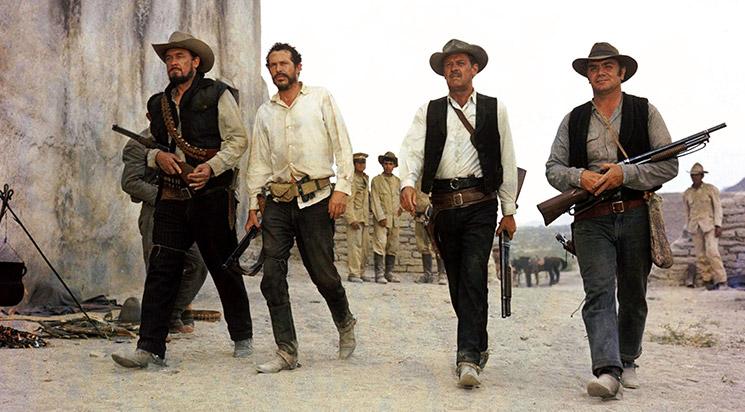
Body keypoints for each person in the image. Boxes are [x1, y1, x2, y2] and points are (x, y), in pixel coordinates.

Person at [112, 31, 253, 368]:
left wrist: (211, 167)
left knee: (224, 267)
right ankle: (150, 348)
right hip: (171, 195)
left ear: (196, 62)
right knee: (162, 270)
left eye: (179, 57)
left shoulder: (218, 94)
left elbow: (237, 140)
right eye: (169, 58)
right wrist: (156, 158)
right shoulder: (158, 104)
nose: (173, 63)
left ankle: (242, 336)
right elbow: (154, 147)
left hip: (212, 195)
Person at [545, 42, 678, 399]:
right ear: (587, 76)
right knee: (599, 292)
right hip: (591, 218)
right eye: (593, 68)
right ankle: (607, 370)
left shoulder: (645, 111)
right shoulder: (573, 118)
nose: (600, 72)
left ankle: (628, 357)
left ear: (622, 73)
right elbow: (553, 169)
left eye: (607, 66)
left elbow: (669, 165)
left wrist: (625, 174)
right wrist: (581, 177)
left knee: (633, 293)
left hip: (634, 212)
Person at [399, 39, 518, 388]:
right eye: (449, 64)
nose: (454, 68)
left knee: (473, 274)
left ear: (474, 69)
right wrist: (407, 183)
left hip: (481, 203)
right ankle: (478, 343)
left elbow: (507, 160)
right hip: (443, 206)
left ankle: (467, 357)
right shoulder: (429, 111)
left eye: (461, 62)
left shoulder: (495, 109)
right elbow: (412, 150)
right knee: (456, 282)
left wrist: (509, 210)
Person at [245, 42, 357, 373]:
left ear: (298, 67)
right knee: (271, 276)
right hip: (278, 202)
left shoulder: (320, 98)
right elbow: (258, 161)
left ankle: (345, 320)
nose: (278, 70)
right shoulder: (265, 112)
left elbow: (342, 145)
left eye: (284, 63)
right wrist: (253, 204)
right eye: (272, 65)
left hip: (317, 199)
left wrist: (343, 189)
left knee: (323, 274)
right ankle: (286, 350)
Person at [121, 133, 208, 334]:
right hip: (155, 212)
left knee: (198, 264)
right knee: (157, 269)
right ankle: (156, 327)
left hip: (186, 211)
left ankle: (172, 315)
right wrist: (165, 197)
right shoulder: (137, 145)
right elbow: (130, 182)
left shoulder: (185, 139)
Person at [683, 162, 727, 290]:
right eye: (692, 175)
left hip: (710, 225)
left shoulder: (710, 189)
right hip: (695, 227)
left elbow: (718, 207)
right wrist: (688, 227)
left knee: (712, 252)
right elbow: (687, 212)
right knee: (700, 255)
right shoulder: (687, 193)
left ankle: (721, 279)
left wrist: (718, 225)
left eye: (697, 175)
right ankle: (707, 279)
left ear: (702, 176)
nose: (694, 177)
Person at [370, 152, 403, 284]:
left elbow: (401, 197)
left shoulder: (397, 181)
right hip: (382, 219)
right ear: (382, 165)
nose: (388, 166)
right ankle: (379, 274)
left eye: (390, 164)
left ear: (394, 166)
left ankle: (389, 273)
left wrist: (401, 207)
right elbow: (375, 200)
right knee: (380, 244)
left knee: (392, 245)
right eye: (386, 163)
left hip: (395, 219)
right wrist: (380, 217)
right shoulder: (376, 180)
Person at [412, 180, 446, 285]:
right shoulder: (415, 180)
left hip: (435, 216)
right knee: (422, 245)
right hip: (420, 216)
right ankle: (427, 274)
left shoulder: (437, 178)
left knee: (438, 244)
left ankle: (442, 274)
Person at [346, 152, 372, 283]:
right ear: (354, 164)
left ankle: (361, 272)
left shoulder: (365, 178)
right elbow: (348, 200)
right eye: (358, 162)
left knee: (365, 247)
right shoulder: (352, 179)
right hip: (356, 217)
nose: (361, 165)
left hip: (364, 217)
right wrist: (351, 219)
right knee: (355, 246)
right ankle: (354, 273)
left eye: (363, 162)